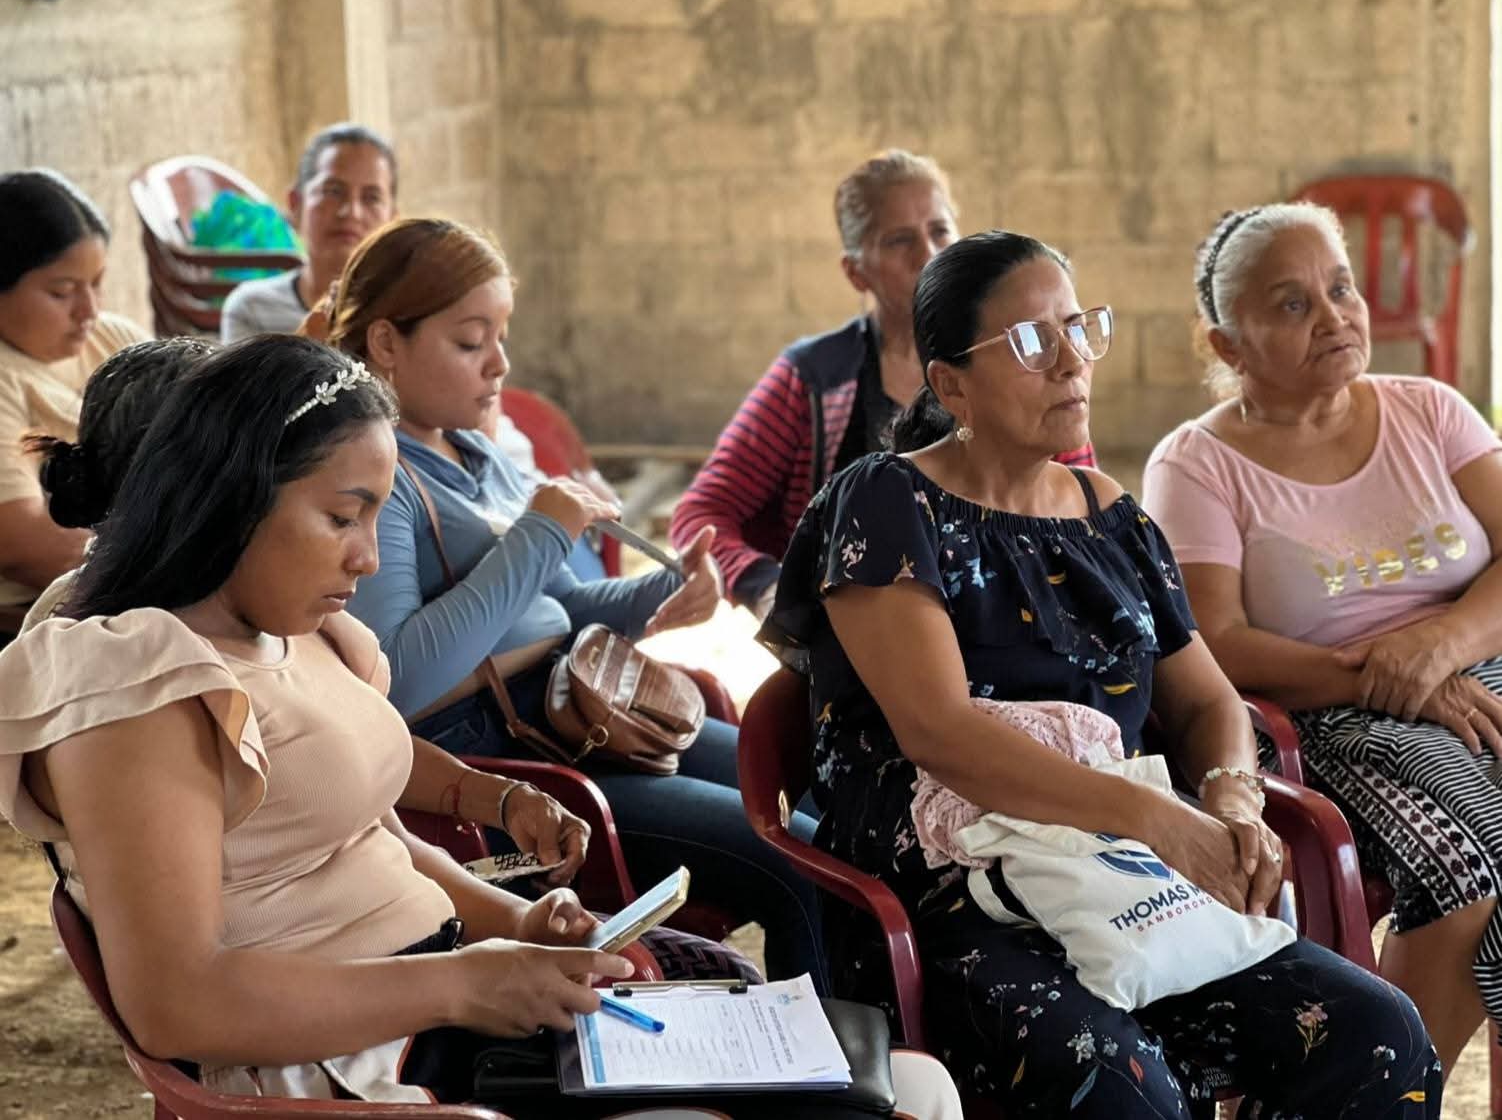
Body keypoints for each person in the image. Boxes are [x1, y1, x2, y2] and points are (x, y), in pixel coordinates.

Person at [0, 335, 960, 1117]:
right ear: (232, 500)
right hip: (354, 1061)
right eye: (343, 516)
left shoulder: (285, 627)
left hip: (433, 998)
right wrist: (468, 981)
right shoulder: (138, 687)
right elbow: (178, 1003)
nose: (369, 559)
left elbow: (366, 834)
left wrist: (511, 922)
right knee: (873, 1093)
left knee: (887, 1078)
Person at [760, 229, 1441, 1116]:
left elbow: (1208, 702)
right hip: (955, 895)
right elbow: (941, 733)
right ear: (951, 385)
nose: (1071, 361)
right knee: (1121, 1085)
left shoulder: (1110, 517)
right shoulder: (887, 501)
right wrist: (1155, 817)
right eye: (1031, 342)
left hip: (1121, 877)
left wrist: (1232, 799)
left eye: (1079, 329)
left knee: (1379, 1036)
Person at [330, 218, 828, 988]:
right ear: (386, 342)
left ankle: (890, 1034)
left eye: (501, 337)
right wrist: (539, 534)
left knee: (818, 803)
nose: (499, 363)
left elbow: (560, 607)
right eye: (471, 341)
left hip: (573, 710)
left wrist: (665, 588)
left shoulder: (474, 451)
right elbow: (398, 678)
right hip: (507, 752)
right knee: (797, 863)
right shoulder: (382, 481)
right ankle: (831, 1058)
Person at [1142, 200, 1502, 1078]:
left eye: (1341, 289)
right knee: (1468, 866)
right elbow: (1212, 642)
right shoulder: (1196, 464)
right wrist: (1384, 674)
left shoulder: (1430, 410)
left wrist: (1439, 646)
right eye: (1292, 304)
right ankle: (1383, 1089)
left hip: (1473, 668)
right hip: (1328, 713)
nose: (1334, 316)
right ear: (1228, 344)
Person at [21, 335, 593, 886]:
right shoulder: (120, 660)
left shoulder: (273, 611)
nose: (367, 559)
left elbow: (345, 749)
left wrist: (494, 803)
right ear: (197, 483)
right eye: (341, 518)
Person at [671, 149, 1096, 620]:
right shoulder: (815, 379)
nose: (928, 254)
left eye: (940, 231)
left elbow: (1082, 507)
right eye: (899, 241)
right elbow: (702, 512)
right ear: (856, 272)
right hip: (847, 639)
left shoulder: (1018, 365)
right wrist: (767, 588)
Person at [0, 169, 149, 617]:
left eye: (97, 283)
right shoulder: (6, 377)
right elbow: (23, 543)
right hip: (50, 615)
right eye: (62, 292)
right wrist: (178, 564)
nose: (89, 310)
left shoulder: (113, 339)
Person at [220, 123, 397, 344]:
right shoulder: (252, 308)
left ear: (393, 218)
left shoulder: (407, 314)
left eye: (371, 197)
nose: (351, 212)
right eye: (333, 191)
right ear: (296, 204)